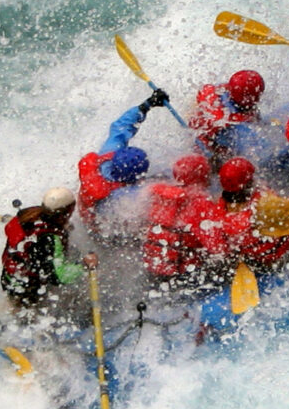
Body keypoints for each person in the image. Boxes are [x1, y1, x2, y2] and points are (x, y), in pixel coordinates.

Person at [78, 89, 166, 238]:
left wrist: (146, 105)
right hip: (103, 230)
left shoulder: (106, 158)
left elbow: (120, 127)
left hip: (91, 211)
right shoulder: (122, 197)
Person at [141, 154, 215, 293]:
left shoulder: (160, 196)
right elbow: (215, 246)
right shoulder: (200, 204)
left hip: (155, 270)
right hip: (185, 274)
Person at [0, 187, 85, 308]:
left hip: (9, 276)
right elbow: (59, 276)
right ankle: (13, 308)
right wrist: (84, 267)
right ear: (68, 211)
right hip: (26, 288)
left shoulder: (27, 214)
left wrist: (63, 226)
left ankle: (10, 305)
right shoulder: (49, 239)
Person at [189, 69, 277, 166]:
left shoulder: (219, 91)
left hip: (201, 133)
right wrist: (246, 118)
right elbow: (220, 121)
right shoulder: (240, 129)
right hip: (206, 147)